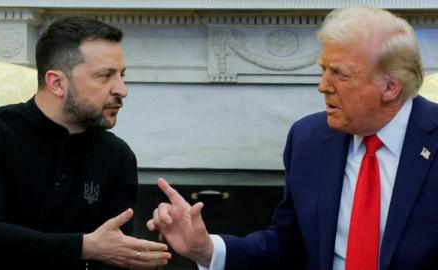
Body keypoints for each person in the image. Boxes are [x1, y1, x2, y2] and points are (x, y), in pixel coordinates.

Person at [147, 5, 438, 270]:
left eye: (340, 74)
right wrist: (207, 250)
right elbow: (287, 245)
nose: (323, 86)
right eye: (324, 70)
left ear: (390, 87)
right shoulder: (309, 139)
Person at [0, 16, 171, 270]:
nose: (121, 90)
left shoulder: (117, 155)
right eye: (105, 77)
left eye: (122, 75)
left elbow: (115, 254)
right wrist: (84, 247)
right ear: (57, 83)